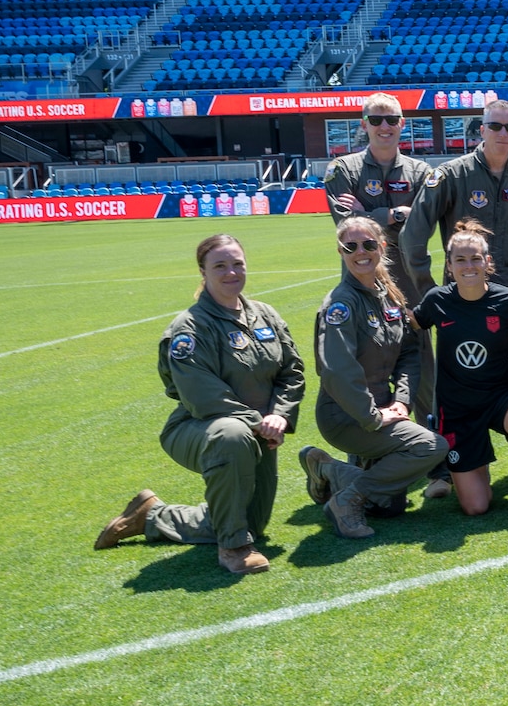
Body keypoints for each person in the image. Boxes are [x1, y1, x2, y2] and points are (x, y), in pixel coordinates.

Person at [96, 234, 305, 576]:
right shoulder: (189, 328)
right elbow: (202, 395)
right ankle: (233, 548)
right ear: (203, 272)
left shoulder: (265, 315)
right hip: (200, 427)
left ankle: (151, 515)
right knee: (232, 434)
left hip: (260, 432)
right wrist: (258, 421)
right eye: (219, 266)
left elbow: (292, 370)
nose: (231, 272)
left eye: (237, 263)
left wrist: (279, 417)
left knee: (253, 523)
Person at [299, 215, 448, 540]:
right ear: (341, 252)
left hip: (383, 408)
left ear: (382, 246)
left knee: (389, 506)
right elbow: (337, 370)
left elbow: (410, 352)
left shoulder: (389, 295)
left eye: (368, 244)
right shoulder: (342, 304)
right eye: (350, 246)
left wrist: (402, 401)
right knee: (430, 446)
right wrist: (371, 416)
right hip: (346, 416)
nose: (360, 251)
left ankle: (329, 469)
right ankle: (346, 500)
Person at [409, 219, 508, 519]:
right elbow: (410, 324)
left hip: (500, 398)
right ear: (449, 265)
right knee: (476, 506)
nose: (468, 265)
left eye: (475, 258)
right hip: (457, 410)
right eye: (460, 259)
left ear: (488, 262)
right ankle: (476, 466)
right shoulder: (437, 300)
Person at [401, 97, 508, 301]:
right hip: (458, 291)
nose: (503, 133)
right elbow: (413, 231)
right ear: (482, 130)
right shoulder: (453, 174)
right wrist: (427, 289)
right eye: (495, 126)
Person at [323, 91, 432, 302]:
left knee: (415, 333)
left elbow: (424, 225)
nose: (384, 127)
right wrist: (398, 214)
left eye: (391, 120)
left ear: (402, 123)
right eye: (375, 120)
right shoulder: (342, 169)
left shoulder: (421, 172)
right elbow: (348, 226)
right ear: (364, 125)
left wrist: (363, 213)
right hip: (360, 281)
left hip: (409, 280)